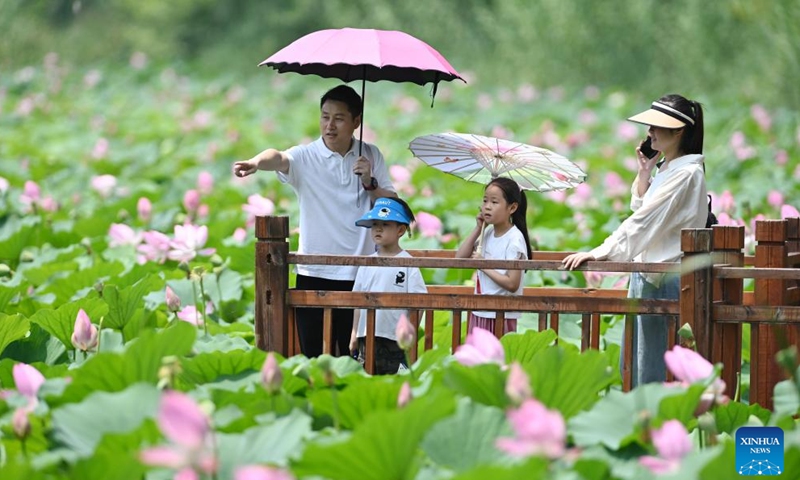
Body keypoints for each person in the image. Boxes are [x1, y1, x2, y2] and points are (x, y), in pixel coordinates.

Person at [233, 85, 397, 358]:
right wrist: (256, 162)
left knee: (352, 359)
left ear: (356, 121)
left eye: (339, 118)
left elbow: (391, 205)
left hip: (359, 272)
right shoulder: (306, 156)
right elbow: (279, 157)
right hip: (313, 272)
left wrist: (370, 182)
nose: (329, 125)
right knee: (313, 357)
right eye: (324, 116)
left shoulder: (371, 155)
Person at [562, 93, 707, 387]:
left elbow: (644, 222)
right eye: (649, 127)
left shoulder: (688, 173)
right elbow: (642, 211)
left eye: (656, 127)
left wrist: (602, 252)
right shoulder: (669, 169)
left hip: (666, 281)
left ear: (678, 131)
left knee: (654, 372)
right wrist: (645, 172)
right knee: (635, 367)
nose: (649, 133)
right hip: (647, 276)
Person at [348, 197, 427, 374]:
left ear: (400, 230)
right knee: (367, 381)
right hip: (365, 335)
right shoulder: (366, 262)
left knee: (394, 382)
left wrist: (409, 333)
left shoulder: (408, 264)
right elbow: (357, 302)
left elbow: (420, 302)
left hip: (394, 337)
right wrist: (354, 333)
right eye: (375, 223)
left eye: (385, 224)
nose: (378, 228)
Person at [455, 177, 532, 335]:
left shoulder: (515, 239)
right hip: (480, 310)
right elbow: (459, 259)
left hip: (501, 314)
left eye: (494, 202)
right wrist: (478, 229)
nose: (487, 207)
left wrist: (483, 265)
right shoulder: (488, 232)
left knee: (496, 358)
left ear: (512, 208)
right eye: (485, 201)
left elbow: (512, 283)